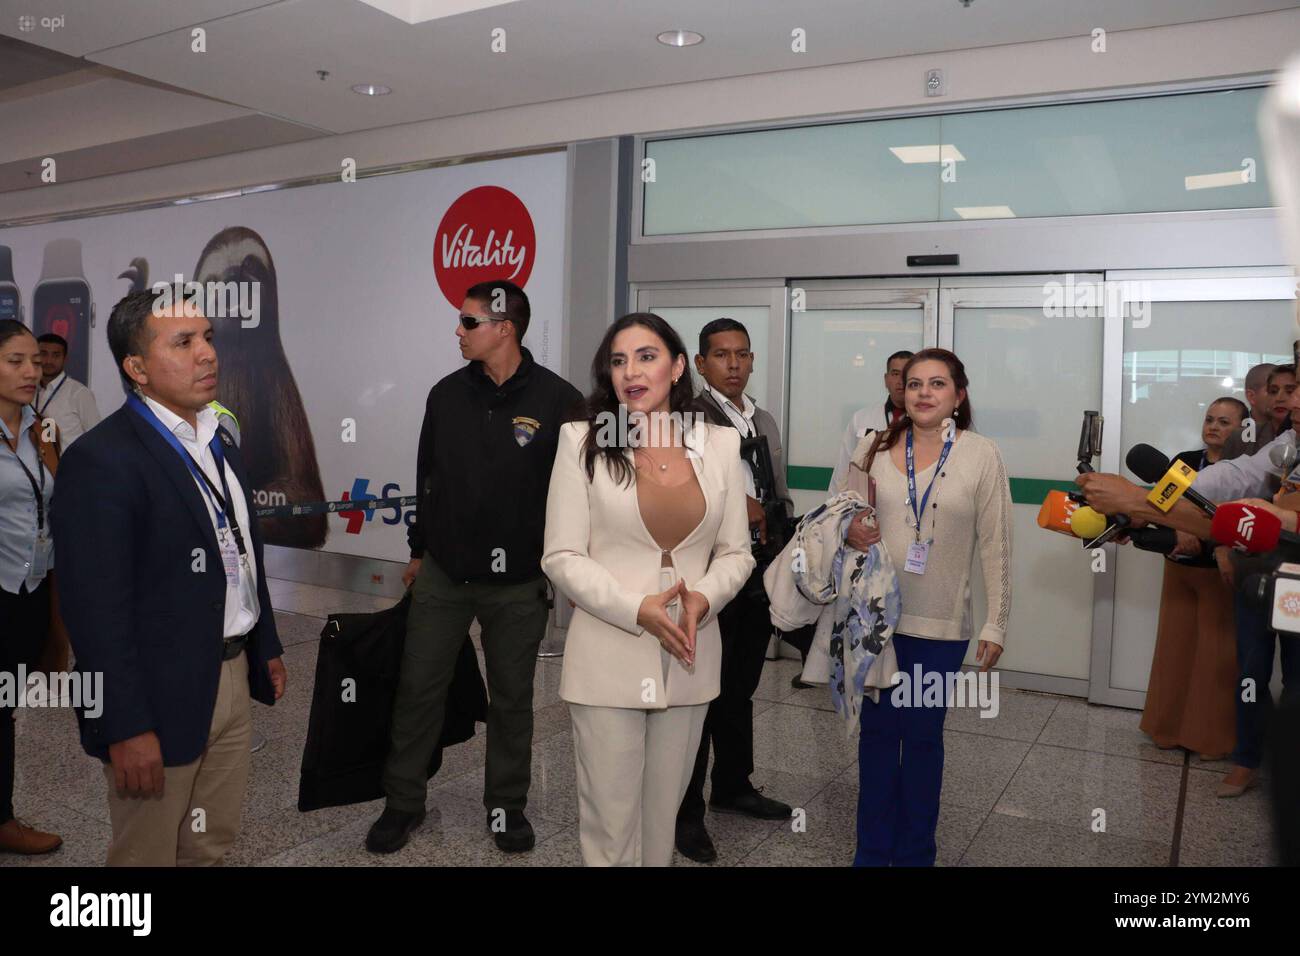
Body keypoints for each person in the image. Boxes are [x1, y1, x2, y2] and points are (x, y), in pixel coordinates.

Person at [50, 290, 287, 866]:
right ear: (137, 369)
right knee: (145, 855)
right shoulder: (101, 460)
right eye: (183, 342)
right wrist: (124, 724)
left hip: (229, 675)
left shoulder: (218, 441)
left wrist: (265, 642)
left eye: (207, 337)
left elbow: (240, 549)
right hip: (152, 694)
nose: (207, 354)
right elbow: (95, 611)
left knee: (208, 844)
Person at [368, 280, 582, 855]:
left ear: (504, 327)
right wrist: (418, 552)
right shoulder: (445, 395)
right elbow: (425, 480)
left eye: (468, 323)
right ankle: (403, 802)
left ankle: (506, 806)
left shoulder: (560, 401)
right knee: (418, 690)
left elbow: (576, 495)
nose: (457, 332)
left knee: (512, 699)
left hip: (518, 584)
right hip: (444, 575)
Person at [542, 312, 754, 866]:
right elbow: (561, 555)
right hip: (608, 658)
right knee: (611, 828)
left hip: (689, 656)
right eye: (618, 360)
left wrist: (703, 599)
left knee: (661, 826)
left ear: (679, 366)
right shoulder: (581, 440)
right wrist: (638, 609)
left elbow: (736, 553)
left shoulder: (721, 445)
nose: (630, 371)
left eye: (646, 356)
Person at [840, 348, 1012, 866]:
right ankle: (870, 854)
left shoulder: (982, 454)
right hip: (875, 622)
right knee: (875, 740)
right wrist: (851, 529)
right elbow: (840, 518)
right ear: (901, 391)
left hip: (938, 629)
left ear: (958, 396)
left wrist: (995, 621)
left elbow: (996, 544)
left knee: (920, 740)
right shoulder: (871, 446)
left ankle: (916, 855)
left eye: (937, 384)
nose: (923, 393)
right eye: (914, 383)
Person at [673, 318, 793, 863]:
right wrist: (735, 508)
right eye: (721, 355)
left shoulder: (761, 417)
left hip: (758, 572)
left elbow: (776, 490)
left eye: (742, 354)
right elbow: (680, 494)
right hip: (709, 577)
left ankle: (733, 785)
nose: (734, 364)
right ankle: (684, 811)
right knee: (701, 693)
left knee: (740, 687)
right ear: (701, 364)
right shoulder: (687, 420)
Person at [1142, 398, 1248, 759]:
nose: (1214, 427)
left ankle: (1209, 741)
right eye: (1209, 419)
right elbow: (1157, 508)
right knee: (1173, 651)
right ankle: (1166, 730)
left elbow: (1247, 522)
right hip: (1179, 566)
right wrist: (1175, 529)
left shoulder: (1245, 470)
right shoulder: (1185, 462)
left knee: (1214, 660)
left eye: (1224, 422)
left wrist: (1210, 539)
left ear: (1242, 430)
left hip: (1220, 575)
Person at [0, 320, 61, 855]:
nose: (30, 371)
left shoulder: (42, 430)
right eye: (15, 360)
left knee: (4, 710)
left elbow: (54, 502)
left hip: (30, 591)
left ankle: (2, 819)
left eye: (35, 362)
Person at [829, 350, 913, 494]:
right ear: (886, 380)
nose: (901, 380)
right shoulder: (861, 419)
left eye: (907, 374)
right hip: (867, 506)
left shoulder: (926, 423)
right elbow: (843, 472)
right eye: (895, 374)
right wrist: (833, 513)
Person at [33, 332, 100, 449]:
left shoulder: (79, 393)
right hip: (34, 465)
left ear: (65, 359)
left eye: (56, 355)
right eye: (43, 354)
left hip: (69, 466)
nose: (49, 361)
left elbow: (97, 437)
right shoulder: (29, 392)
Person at [1218, 362, 1276, 459]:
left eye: (1289, 391)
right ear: (1251, 396)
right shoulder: (1234, 434)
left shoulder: (1294, 430)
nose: (1281, 397)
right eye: (1273, 391)